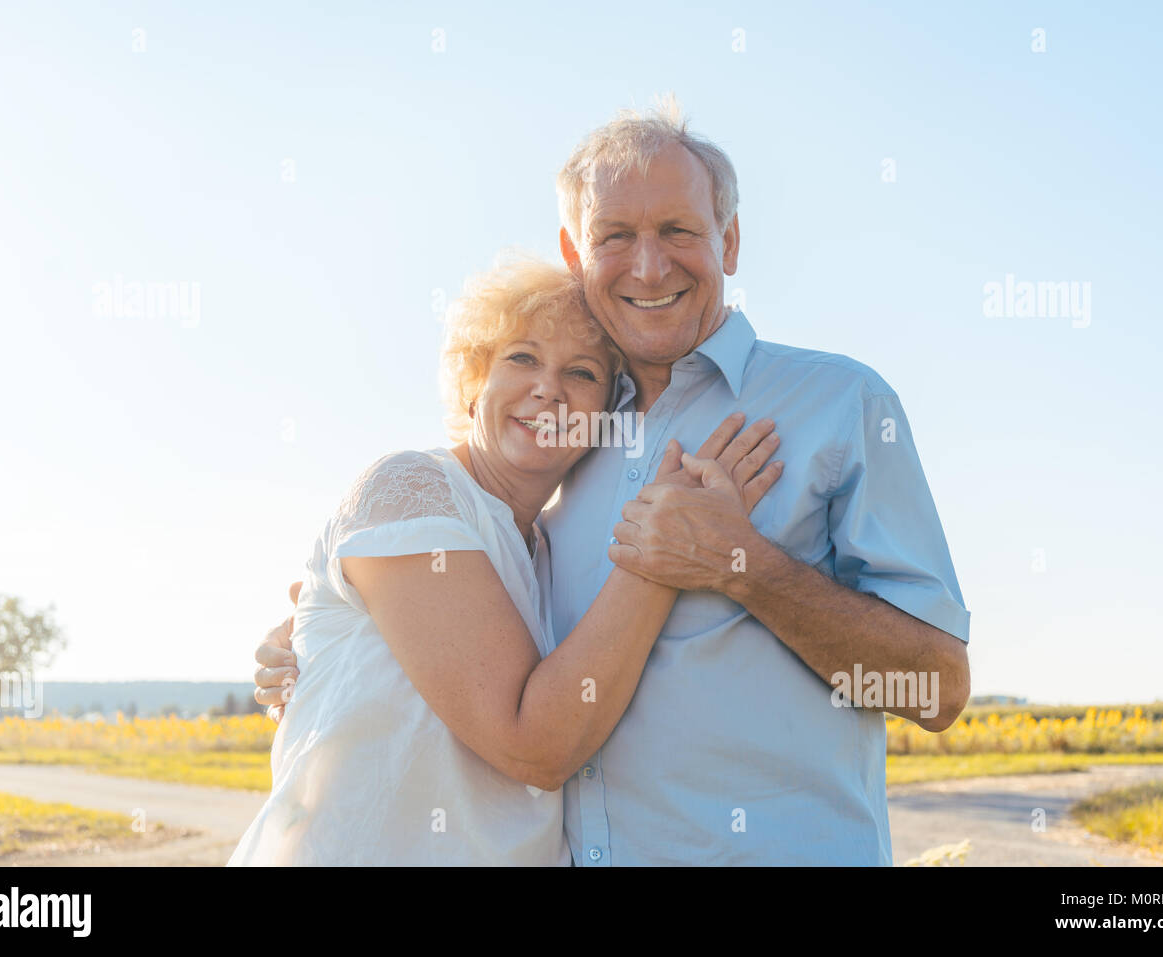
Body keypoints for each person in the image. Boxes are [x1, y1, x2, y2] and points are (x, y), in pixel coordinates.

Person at [258, 98, 972, 865]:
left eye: (678, 231)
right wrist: (329, 632)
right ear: (576, 252)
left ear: (728, 241)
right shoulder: (566, 451)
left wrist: (748, 566)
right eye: (615, 236)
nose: (649, 265)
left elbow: (937, 691)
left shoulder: (841, 404)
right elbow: (477, 638)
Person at [230, 256, 781, 865]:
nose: (549, 388)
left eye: (582, 372)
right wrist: (663, 550)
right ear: (474, 383)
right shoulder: (410, 490)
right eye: (521, 357)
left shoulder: (554, 550)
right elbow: (534, 747)